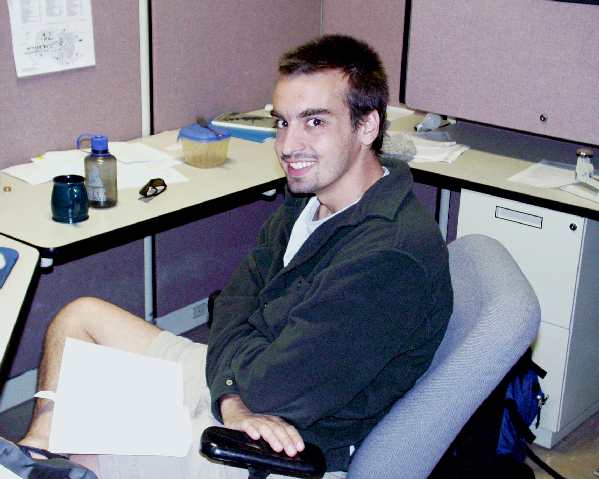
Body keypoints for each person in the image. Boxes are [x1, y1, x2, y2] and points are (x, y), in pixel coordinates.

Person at [0, 34, 452, 479]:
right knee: (79, 319)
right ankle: (39, 454)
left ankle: (58, 465)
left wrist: (232, 394)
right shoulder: (312, 198)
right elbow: (235, 301)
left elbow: (272, 391)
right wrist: (231, 392)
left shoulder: (388, 257)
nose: (288, 145)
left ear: (367, 126)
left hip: (281, 441)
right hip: (239, 385)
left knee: (90, 442)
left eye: (314, 122)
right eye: (282, 123)